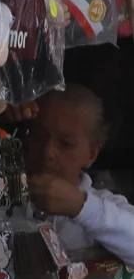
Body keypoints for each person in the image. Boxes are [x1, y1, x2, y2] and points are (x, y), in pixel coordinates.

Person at [24, 85, 134, 262]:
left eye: (65, 143)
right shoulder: (1, 201)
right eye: (38, 135)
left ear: (91, 154)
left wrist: (81, 208)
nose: (47, 152)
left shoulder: (103, 206)